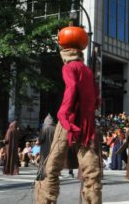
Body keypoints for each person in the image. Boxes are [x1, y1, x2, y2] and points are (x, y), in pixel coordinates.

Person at [34, 44, 102, 204]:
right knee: (89, 162)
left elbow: (71, 88)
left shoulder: (69, 67)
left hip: (70, 119)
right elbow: (96, 94)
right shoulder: (87, 70)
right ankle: (93, 199)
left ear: (65, 54)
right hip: (85, 120)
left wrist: (64, 111)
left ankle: (46, 200)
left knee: (53, 164)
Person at [38, 114, 56, 180]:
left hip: (44, 147)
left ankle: (42, 174)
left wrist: (39, 141)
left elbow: (41, 138)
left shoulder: (44, 128)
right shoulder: (55, 128)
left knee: (43, 161)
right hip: (52, 148)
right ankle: (50, 174)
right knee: (51, 161)